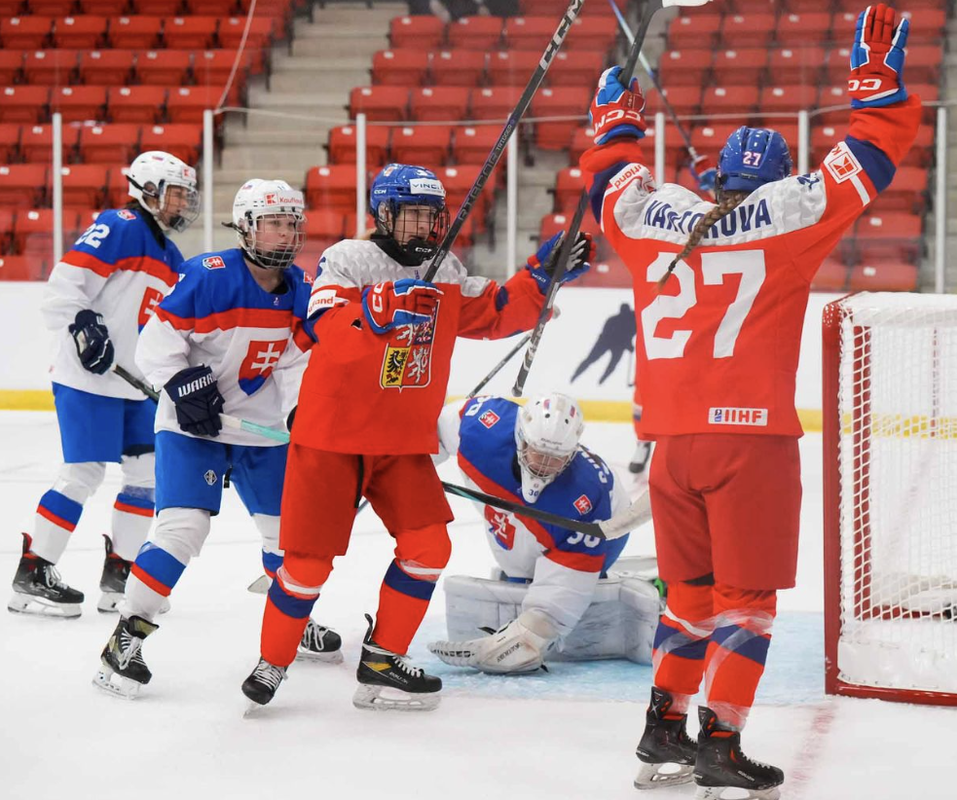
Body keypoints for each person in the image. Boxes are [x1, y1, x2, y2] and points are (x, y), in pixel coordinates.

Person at [579, 5, 922, 797]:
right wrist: (875, 87)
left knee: (690, 599)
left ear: (713, 179)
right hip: (749, 446)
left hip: (669, 450)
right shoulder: (790, 216)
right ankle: (721, 741)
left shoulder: (646, 216)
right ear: (774, 177)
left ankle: (662, 726)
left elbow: (609, 181)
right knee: (748, 604)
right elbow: (869, 157)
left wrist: (616, 124)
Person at [239, 163, 593, 711]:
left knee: (429, 548)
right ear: (383, 214)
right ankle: (272, 661)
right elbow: (325, 325)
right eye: (411, 213)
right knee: (307, 565)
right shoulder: (349, 258)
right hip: (332, 435)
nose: (424, 224)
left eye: (431, 214)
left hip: (401, 441)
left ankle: (382, 658)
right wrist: (373, 311)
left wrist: (540, 276)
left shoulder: (444, 266)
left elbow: (495, 310)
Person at [93, 179, 340, 698]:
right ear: (246, 225)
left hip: (262, 431)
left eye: (293, 222)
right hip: (192, 428)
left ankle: (292, 620)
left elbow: (295, 364)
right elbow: (156, 341)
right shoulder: (209, 276)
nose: (285, 232)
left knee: (290, 539)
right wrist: (180, 383)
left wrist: (301, 413)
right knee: (182, 532)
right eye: (274, 221)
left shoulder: (301, 288)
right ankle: (125, 638)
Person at [10, 151, 197, 618]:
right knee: (84, 473)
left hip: (135, 387)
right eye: (175, 194)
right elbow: (64, 286)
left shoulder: (171, 256)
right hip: (89, 379)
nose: (182, 204)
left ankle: (121, 573)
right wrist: (82, 324)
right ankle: (34, 572)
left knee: (145, 478)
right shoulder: (120, 225)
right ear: (149, 190)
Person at [426, 393, 660, 674]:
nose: (544, 465)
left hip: (604, 532)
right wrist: (396, 470)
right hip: (520, 515)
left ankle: (557, 583)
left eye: (556, 458)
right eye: (538, 452)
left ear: (572, 453)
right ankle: (522, 577)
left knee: (536, 573)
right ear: (520, 437)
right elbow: (431, 437)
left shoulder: (585, 497)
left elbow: (566, 582)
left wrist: (530, 636)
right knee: (514, 558)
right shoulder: (480, 425)